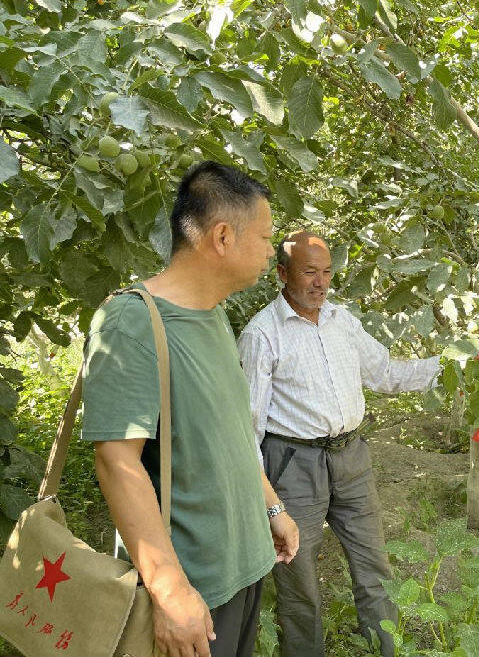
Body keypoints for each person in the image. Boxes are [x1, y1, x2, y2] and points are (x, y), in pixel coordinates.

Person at [81, 161, 299, 657]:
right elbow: (117, 462)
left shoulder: (215, 315)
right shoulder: (131, 321)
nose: (271, 251)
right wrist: (171, 591)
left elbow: (230, 434)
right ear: (222, 237)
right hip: (193, 587)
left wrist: (272, 507)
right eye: (265, 238)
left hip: (242, 567)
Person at [237, 231, 441, 657]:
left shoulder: (342, 321)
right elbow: (246, 427)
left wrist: (453, 365)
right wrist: (267, 502)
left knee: (374, 566)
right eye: (309, 272)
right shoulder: (263, 334)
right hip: (292, 464)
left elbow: (386, 372)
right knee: (299, 579)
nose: (320, 282)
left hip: (351, 457)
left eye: (327, 272)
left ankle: (387, 647)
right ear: (282, 273)